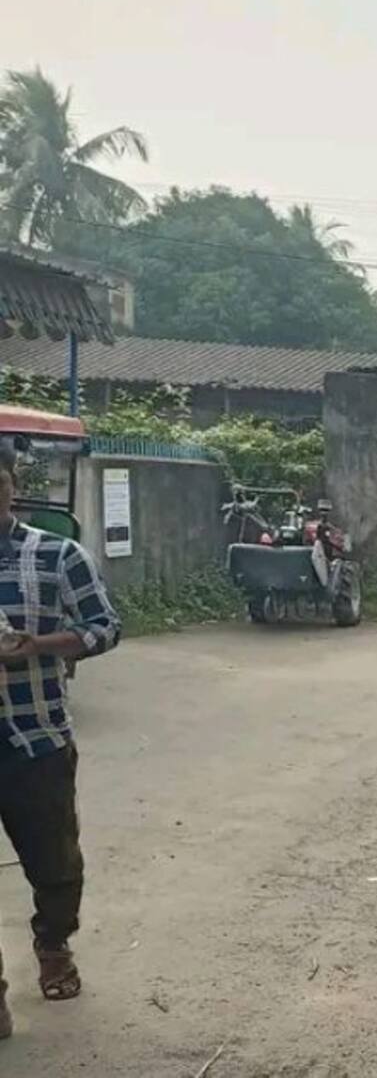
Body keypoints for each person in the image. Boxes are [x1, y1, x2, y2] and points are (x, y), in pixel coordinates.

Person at [0, 443, 121, 1041]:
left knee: (55, 864)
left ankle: (52, 943)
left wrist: (38, 646)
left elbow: (105, 629)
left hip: (35, 737)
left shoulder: (56, 555)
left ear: (10, 485)